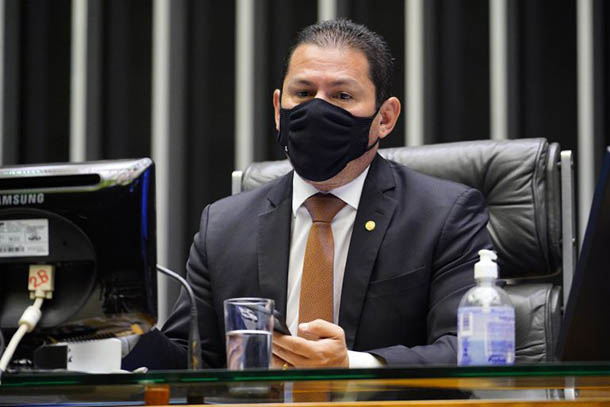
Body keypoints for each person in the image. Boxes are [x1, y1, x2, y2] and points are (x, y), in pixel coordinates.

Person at [123, 19, 492, 370]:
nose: (318, 108)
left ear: (385, 118)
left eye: (342, 95)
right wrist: (116, 328)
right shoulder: (222, 226)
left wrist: (353, 365)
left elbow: (469, 350)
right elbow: (188, 362)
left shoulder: (443, 215)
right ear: (278, 110)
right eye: (303, 93)